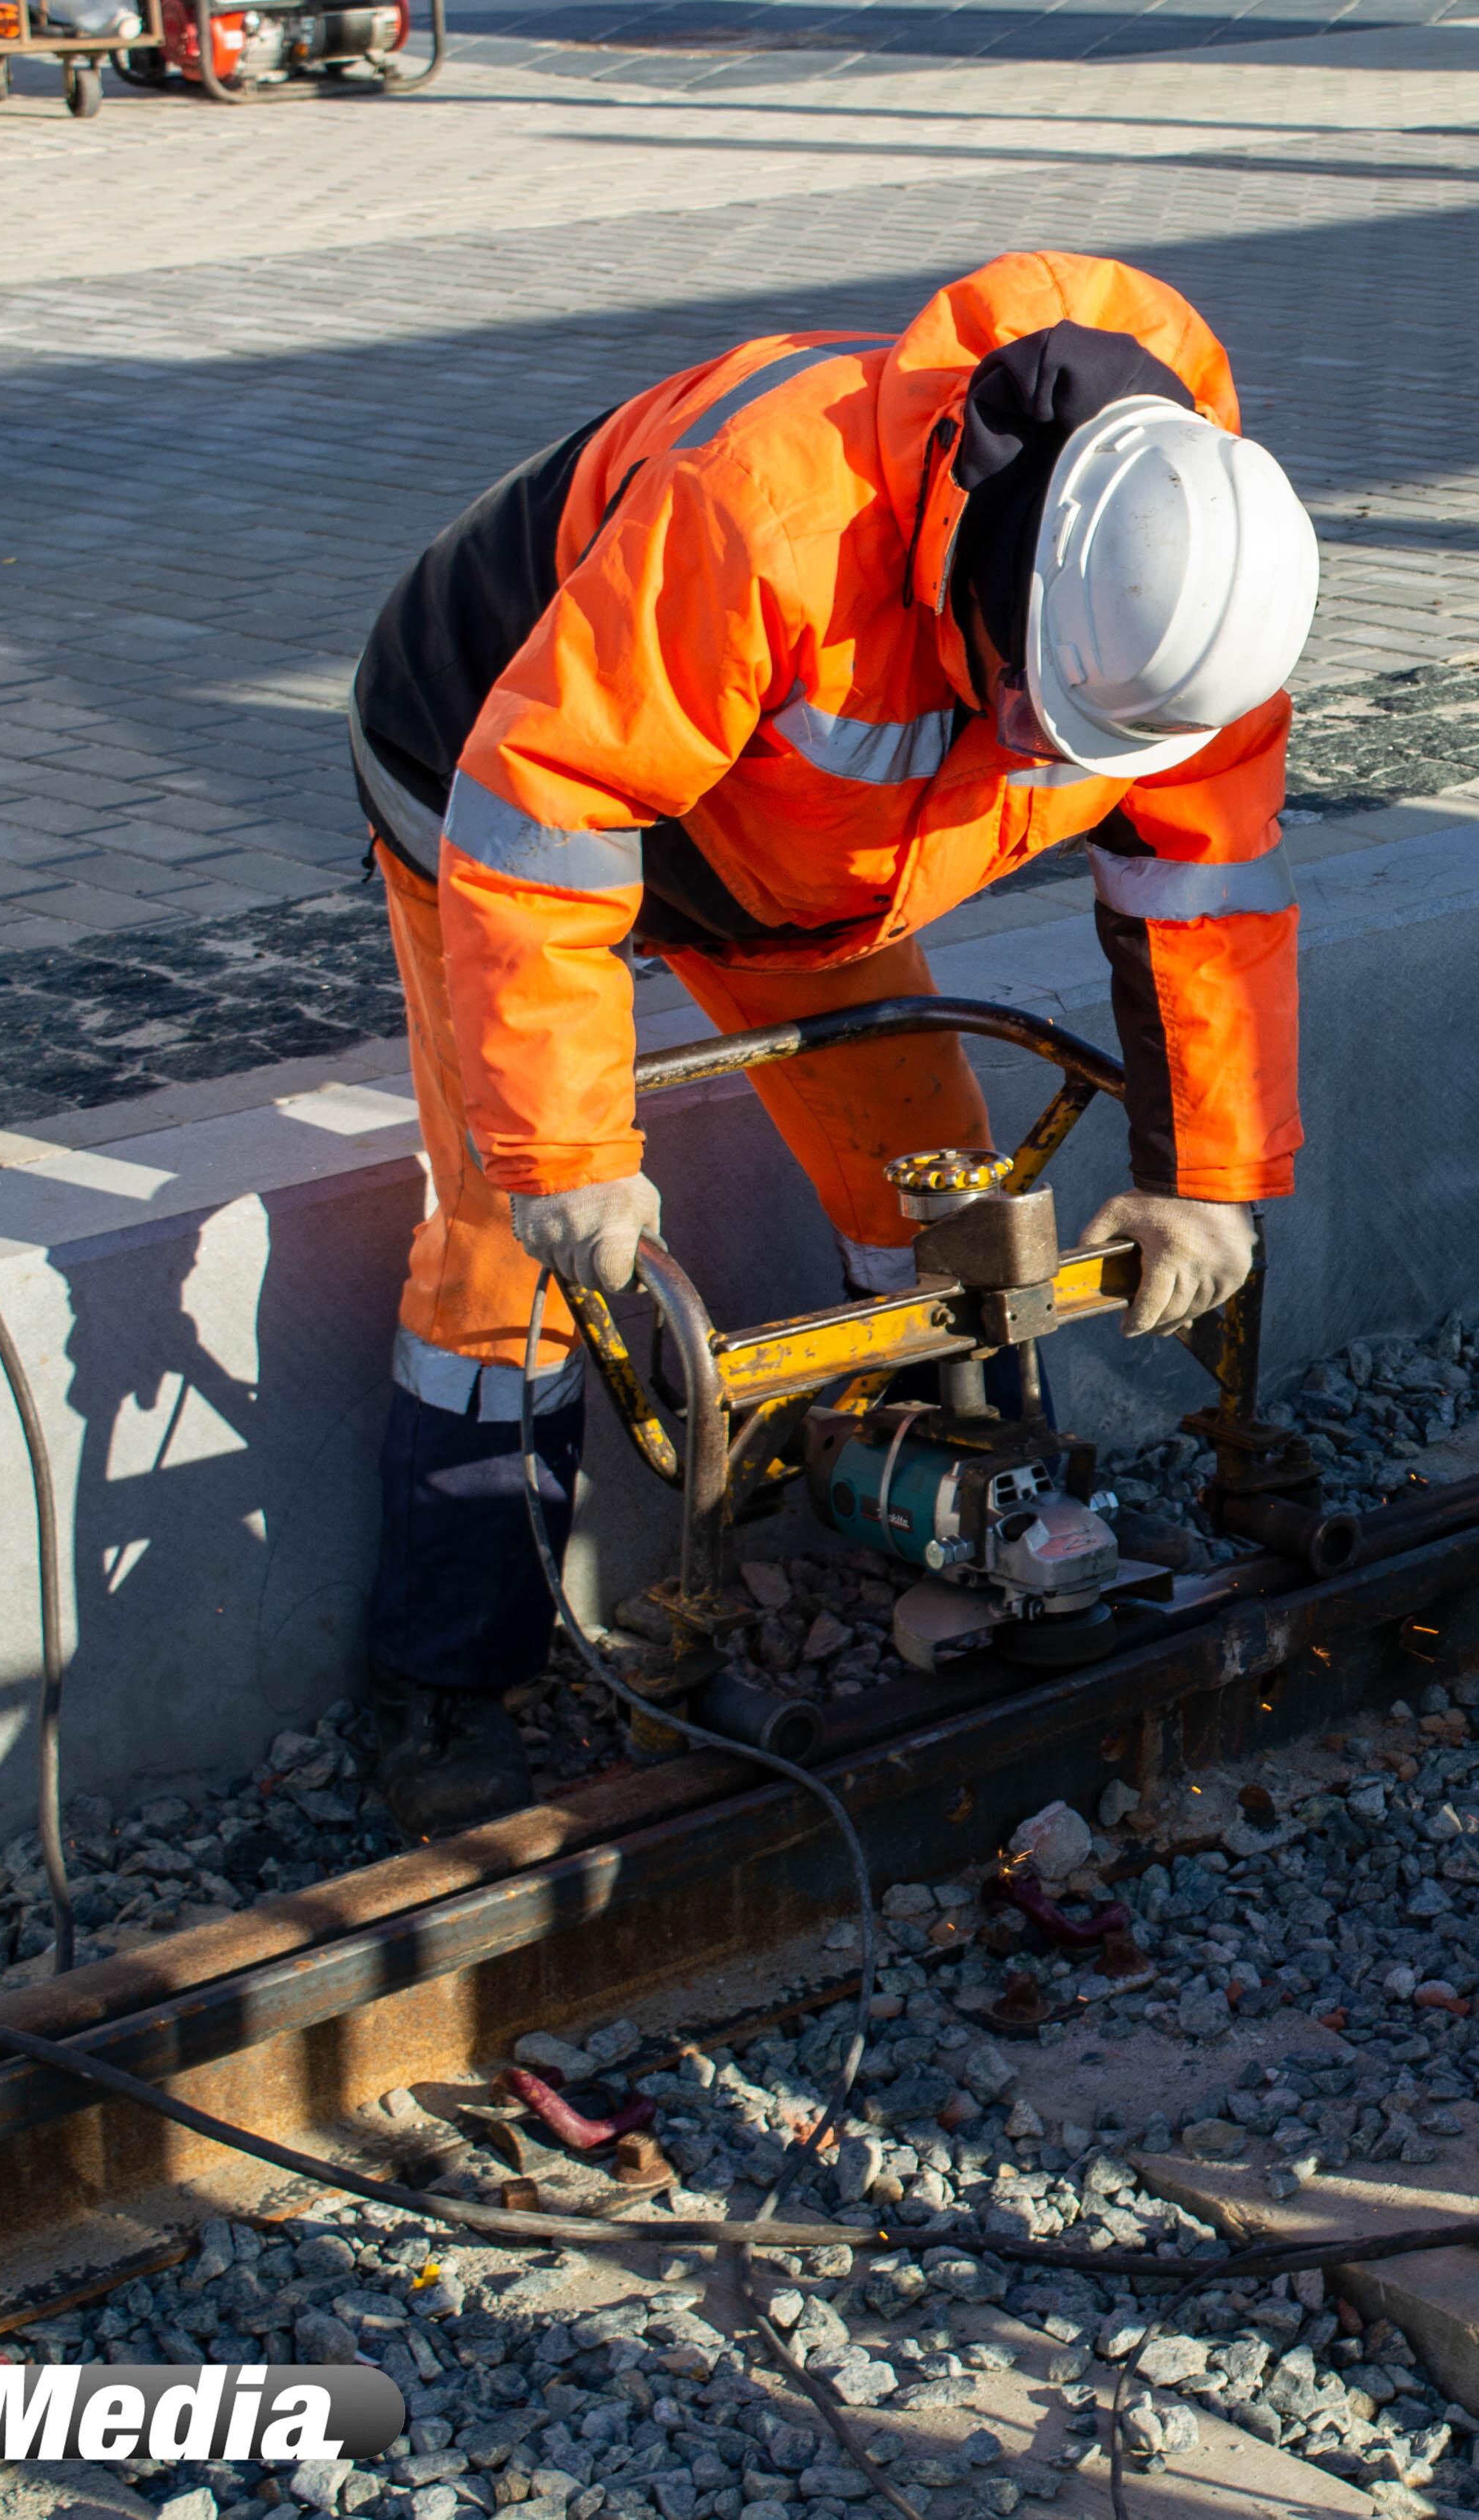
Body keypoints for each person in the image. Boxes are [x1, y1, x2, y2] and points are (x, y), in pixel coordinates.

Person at [343, 252, 1315, 1835]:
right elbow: (551, 811)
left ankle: (969, 1527)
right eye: (1032, 713)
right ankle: (443, 1675)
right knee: (502, 1251)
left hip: (796, 864)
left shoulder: (1192, 612)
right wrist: (567, 1152)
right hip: (493, 768)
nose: (1036, 759)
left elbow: (1206, 895)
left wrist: (1206, 1175)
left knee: (932, 1193)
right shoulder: (769, 517)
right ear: (992, 581)